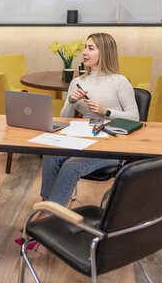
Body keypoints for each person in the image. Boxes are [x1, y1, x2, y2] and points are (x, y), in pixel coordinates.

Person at [40, 33, 139, 208]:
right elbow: (65, 117)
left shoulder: (120, 81)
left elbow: (135, 117)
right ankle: (46, 205)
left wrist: (106, 111)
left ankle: (50, 215)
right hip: (82, 139)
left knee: (71, 166)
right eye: (85, 47)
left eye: (91, 48)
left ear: (105, 53)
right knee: (50, 154)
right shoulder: (78, 81)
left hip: (111, 144)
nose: (84, 52)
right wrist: (71, 101)